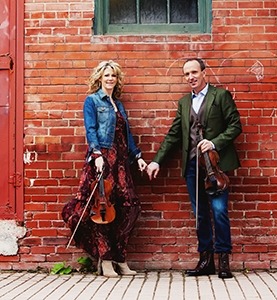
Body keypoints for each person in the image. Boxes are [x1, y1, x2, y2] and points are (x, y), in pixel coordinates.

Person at [147, 58, 242, 279]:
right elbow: (173, 134)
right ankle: (206, 260)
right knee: (200, 214)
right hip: (192, 165)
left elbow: (235, 125)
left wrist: (214, 142)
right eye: (186, 74)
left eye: (194, 72)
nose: (190, 77)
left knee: (219, 211)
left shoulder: (220, 96)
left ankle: (223, 260)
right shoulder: (183, 102)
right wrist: (156, 161)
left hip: (214, 165)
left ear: (203, 73)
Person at [62, 60, 147, 277]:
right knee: (101, 211)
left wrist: (137, 156)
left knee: (128, 207)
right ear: (99, 77)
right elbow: (90, 130)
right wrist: (97, 154)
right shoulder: (92, 101)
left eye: (113, 76)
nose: (110, 79)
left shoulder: (118, 104)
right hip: (102, 160)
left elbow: (126, 136)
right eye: (106, 75)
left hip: (120, 162)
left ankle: (120, 257)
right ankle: (106, 260)